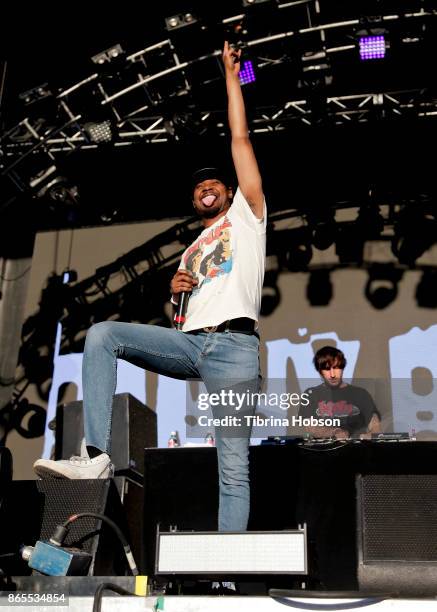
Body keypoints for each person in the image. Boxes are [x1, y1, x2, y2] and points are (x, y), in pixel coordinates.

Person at [33, 41, 266, 532]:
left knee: (232, 467)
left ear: (228, 191)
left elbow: (240, 140)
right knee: (102, 335)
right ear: (193, 199)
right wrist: (177, 293)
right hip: (191, 342)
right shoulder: (189, 249)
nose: (207, 185)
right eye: (198, 184)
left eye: (215, 182)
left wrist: (231, 74)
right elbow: (180, 322)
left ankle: (228, 576)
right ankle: (96, 455)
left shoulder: (248, 217)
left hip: (235, 349)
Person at [298, 346, 381, 438]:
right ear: (320, 372)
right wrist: (335, 432)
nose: (332, 375)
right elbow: (310, 427)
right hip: (322, 450)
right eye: (327, 369)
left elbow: (374, 424)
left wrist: (371, 435)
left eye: (336, 368)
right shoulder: (311, 394)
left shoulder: (361, 393)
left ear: (342, 368)